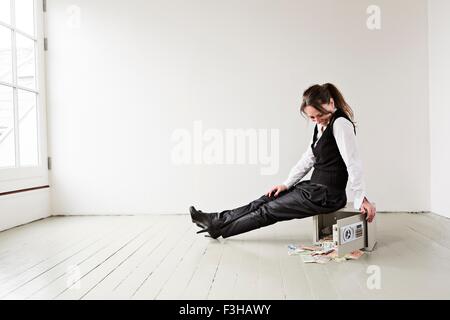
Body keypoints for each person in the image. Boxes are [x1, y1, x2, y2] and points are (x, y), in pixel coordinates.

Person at [189, 83, 376, 239]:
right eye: (312, 117)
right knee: (265, 200)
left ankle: (219, 228)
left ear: (331, 102)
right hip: (314, 188)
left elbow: (353, 162)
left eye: (320, 114)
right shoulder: (321, 126)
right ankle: (216, 219)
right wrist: (286, 184)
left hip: (328, 196)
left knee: (268, 211)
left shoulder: (341, 124)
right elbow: (309, 157)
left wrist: (361, 198)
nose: (317, 120)